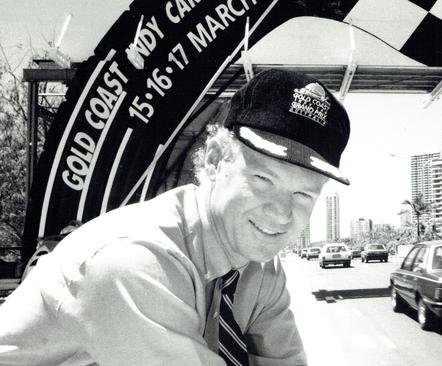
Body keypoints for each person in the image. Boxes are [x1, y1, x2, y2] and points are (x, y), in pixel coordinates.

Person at [0, 68, 351, 365]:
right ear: (215, 160)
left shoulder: (258, 269)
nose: (281, 212)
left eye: (304, 194)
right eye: (263, 179)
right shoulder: (133, 261)